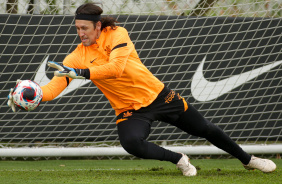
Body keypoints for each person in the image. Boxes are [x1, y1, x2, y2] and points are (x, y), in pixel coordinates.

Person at [8, 3, 276, 176]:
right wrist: (38, 94)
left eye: (84, 28)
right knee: (131, 143)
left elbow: (116, 68)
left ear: (98, 26)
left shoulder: (118, 34)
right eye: (77, 28)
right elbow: (56, 85)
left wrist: (82, 73)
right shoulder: (75, 57)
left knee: (205, 128)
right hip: (128, 109)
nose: (80, 33)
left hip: (159, 96)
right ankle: (180, 159)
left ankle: (248, 159)